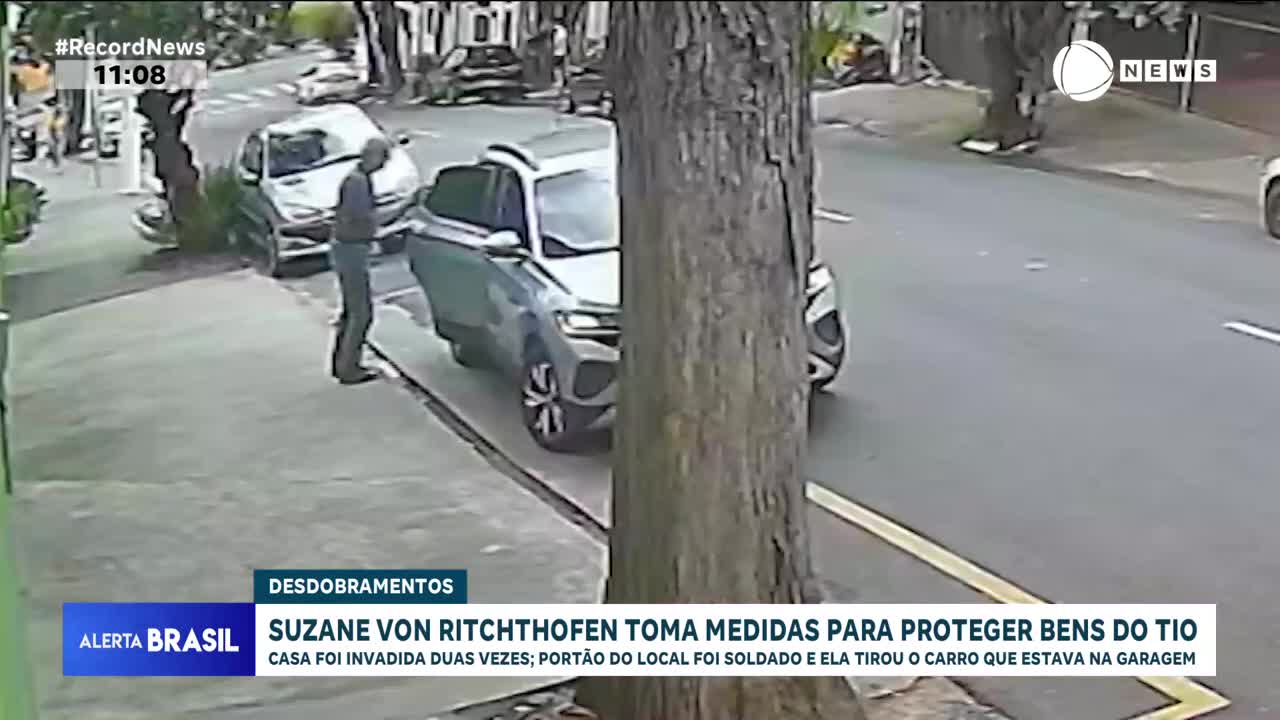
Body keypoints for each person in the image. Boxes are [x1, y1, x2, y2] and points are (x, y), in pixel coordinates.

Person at [329, 137, 389, 385]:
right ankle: (349, 368)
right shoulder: (357, 183)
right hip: (351, 250)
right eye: (383, 158)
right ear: (372, 156)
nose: (384, 164)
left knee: (350, 310)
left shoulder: (357, 179)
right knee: (361, 313)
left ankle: (341, 363)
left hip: (346, 248)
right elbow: (363, 218)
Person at [46, 102, 65, 171]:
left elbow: (60, 126)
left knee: (58, 152)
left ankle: (58, 165)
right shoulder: (53, 118)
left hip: (58, 135)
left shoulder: (61, 118)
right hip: (54, 135)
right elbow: (50, 127)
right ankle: (56, 164)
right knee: (55, 151)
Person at [552, 19, 569, 89]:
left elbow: (560, 40)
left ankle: (559, 82)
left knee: (556, 67)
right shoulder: (563, 30)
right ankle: (562, 81)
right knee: (560, 67)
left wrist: (555, 45)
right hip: (562, 51)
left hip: (558, 52)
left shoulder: (559, 30)